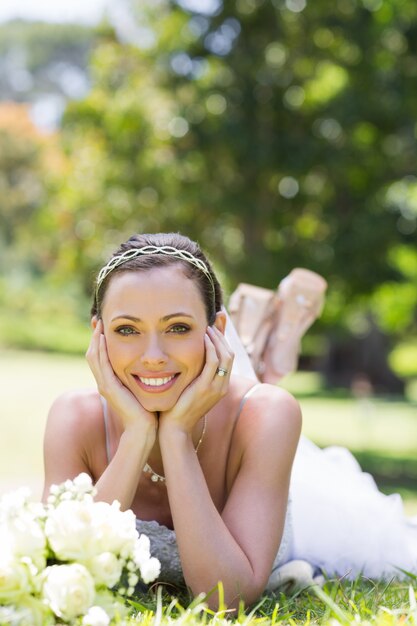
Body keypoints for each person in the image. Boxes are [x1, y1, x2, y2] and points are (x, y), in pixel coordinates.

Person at [43, 232, 417, 609]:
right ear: (99, 334)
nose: (153, 355)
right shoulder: (74, 418)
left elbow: (226, 599)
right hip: (225, 416)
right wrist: (138, 434)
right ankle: (253, 347)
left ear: (216, 331)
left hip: (300, 504)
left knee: (391, 547)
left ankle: (257, 350)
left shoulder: (270, 415)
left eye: (178, 328)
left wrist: (174, 435)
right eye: (127, 329)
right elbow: (60, 569)